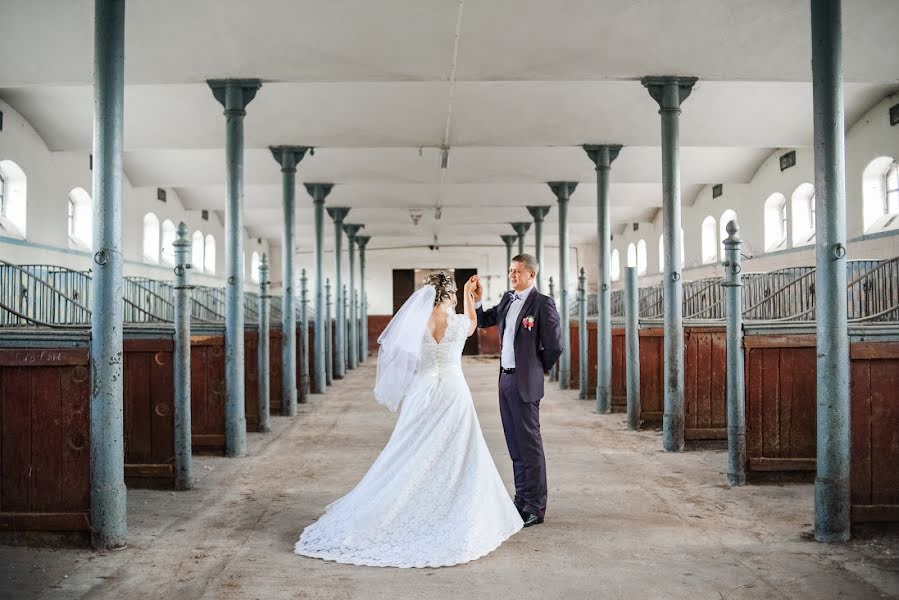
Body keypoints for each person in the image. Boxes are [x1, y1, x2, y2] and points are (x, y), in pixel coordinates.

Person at [294, 272, 523, 568]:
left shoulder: (417, 324)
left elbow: (402, 359)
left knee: (409, 447)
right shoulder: (457, 322)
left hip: (423, 390)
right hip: (454, 390)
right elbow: (473, 325)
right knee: (459, 449)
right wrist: (470, 295)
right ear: (450, 295)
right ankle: (449, 503)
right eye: (454, 293)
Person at [471, 254, 562, 527]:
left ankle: (535, 507)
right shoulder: (508, 299)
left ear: (531, 275)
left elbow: (554, 346)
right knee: (514, 444)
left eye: (517, 272)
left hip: (525, 382)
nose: (512, 276)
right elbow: (482, 320)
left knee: (530, 446)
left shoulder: (543, 304)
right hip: (505, 380)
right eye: (510, 271)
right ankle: (521, 499)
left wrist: (535, 368)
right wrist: (476, 299)